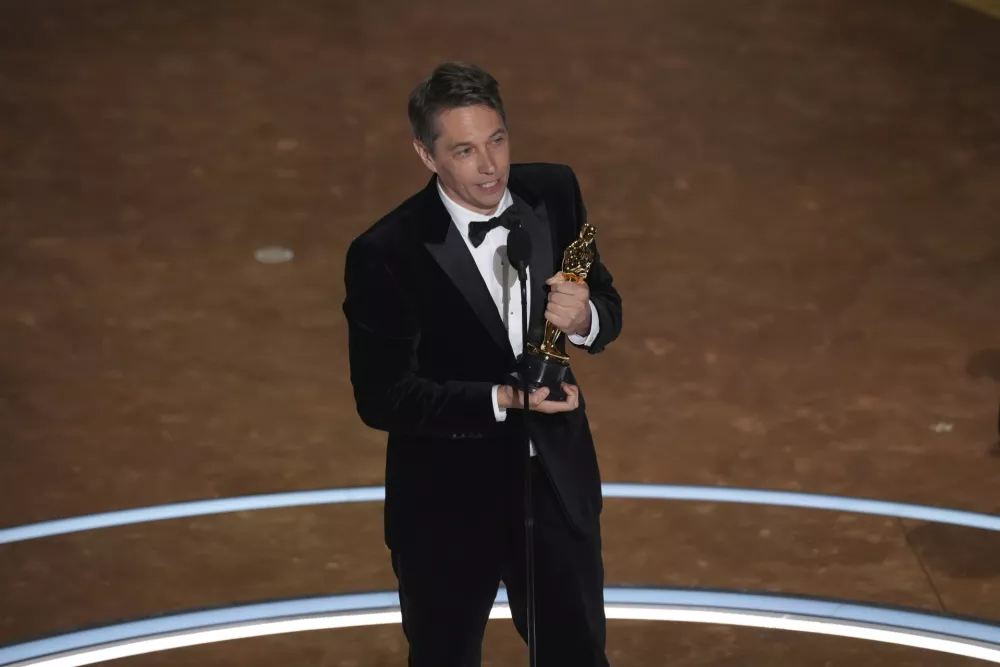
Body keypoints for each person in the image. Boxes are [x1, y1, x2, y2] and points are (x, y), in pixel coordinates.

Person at [342, 61, 622, 667]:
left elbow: (603, 300)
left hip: (554, 485)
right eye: (464, 150)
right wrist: (503, 399)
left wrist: (587, 319)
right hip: (446, 502)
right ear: (426, 154)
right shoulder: (384, 253)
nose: (490, 166)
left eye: (497, 140)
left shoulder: (554, 193)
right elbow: (383, 397)